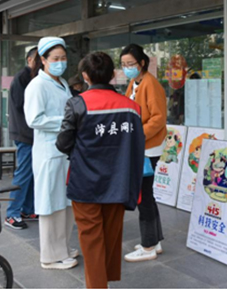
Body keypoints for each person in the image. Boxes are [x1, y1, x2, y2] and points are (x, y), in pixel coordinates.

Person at [56, 52, 146, 288]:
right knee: (110, 236)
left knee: (91, 239)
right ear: (113, 74)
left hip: (85, 183)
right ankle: (103, 281)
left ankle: (97, 285)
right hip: (118, 182)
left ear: (85, 76)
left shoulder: (78, 104)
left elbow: (63, 143)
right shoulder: (132, 108)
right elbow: (138, 148)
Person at [24, 37, 78, 270]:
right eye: (55, 58)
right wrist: (67, 122)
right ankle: (50, 256)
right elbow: (34, 119)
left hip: (64, 152)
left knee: (65, 202)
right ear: (43, 60)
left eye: (63, 58)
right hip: (49, 152)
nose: (60, 63)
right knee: (51, 204)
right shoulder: (37, 85)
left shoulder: (62, 82)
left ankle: (62, 247)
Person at [121, 44, 167, 262]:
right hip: (142, 145)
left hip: (148, 147)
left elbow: (158, 118)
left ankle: (148, 246)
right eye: (123, 64)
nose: (127, 68)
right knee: (147, 194)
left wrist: (138, 134)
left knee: (143, 196)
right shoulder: (135, 82)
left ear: (141, 63)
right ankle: (154, 241)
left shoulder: (150, 83)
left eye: (130, 63)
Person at [5, 46, 39, 230]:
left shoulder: (33, 77)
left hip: (30, 134)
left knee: (31, 174)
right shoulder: (22, 77)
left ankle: (28, 209)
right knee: (24, 173)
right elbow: (21, 104)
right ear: (29, 59)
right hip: (24, 134)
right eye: (38, 59)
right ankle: (12, 214)